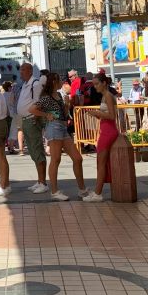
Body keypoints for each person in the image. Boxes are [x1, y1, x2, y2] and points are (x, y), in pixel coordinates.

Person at [33, 72, 90, 201]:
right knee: (56, 159)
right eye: (60, 80)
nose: (63, 83)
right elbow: (33, 109)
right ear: (54, 82)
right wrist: (46, 115)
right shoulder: (46, 97)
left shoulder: (58, 95)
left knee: (77, 158)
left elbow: (63, 114)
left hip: (62, 128)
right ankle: (55, 191)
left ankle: (82, 189)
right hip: (54, 127)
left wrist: (66, 104)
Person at [86, 72, 119, 202]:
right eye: (94, 84)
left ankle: (98, 193)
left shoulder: (108, 96)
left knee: (101, 163)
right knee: (101, 163)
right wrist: (98, 114)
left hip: (108, 131)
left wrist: (98, 113)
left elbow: (112, 116)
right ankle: (97, 192)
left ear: (104, 83)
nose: (95, 87)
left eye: (96, 84)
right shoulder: (106, 96)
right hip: (106, 130)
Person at [16, 62, 47, 193]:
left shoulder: (35, 84)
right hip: (26, 120)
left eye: (23, 70)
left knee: (37, 150)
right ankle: (40, 181)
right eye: (20, 70)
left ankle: (43, 183)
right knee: (33, 152)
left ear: (29, 71)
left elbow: (38, 101)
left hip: (32, 120)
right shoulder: (25, 84)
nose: (20, 72)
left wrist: (36, 117)